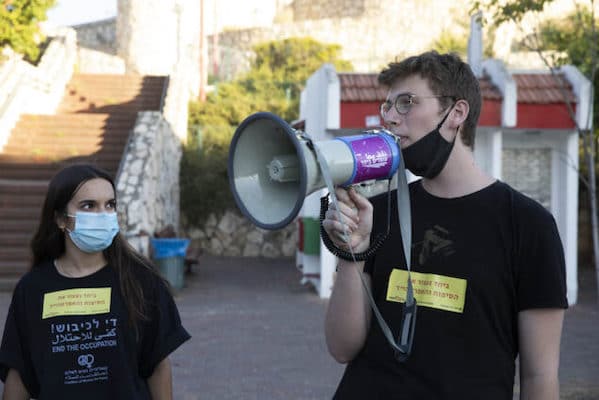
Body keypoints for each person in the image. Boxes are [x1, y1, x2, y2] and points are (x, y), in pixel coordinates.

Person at [322, 51, 567, 399]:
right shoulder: (375, 212)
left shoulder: (528, 225)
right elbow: (342, 348)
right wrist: (352, 254)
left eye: (406, 102)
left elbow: (539, 376)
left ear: (456, 113)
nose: (390, 117)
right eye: (387, 106)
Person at [0, 164, 191, 399]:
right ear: (61, 219)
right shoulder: (32, 290)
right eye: (88, 206)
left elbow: (158, 366)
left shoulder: (141, 280)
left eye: (109, 205)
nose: (103, 214)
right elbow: (19, 374)